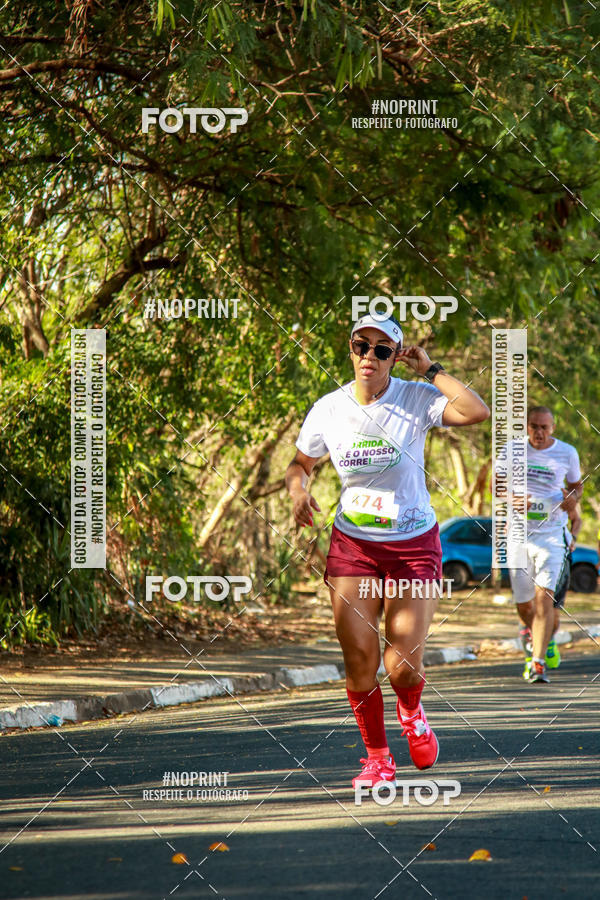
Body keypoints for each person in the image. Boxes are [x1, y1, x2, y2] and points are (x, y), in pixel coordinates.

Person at [285, 313, 489, 789]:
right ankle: (377, 756)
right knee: (359, 660)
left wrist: (430, 369)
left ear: (395, 356)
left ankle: (412, 712)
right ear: (350, 349)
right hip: (353, 545)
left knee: (402, 667)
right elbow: (300, 463)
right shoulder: (329, 408)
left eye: (382, 349)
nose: (369, 356)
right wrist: (297, 490)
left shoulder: (415, 398)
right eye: (362, 345)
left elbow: (475, 411)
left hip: (413, 545)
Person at [497, 407, 583, 684]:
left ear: (553, 428)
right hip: (518, 535)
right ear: (526, 426)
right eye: (534, 426)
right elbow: (497, 486)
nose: (539, 432)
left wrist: (573, 499)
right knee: (525, 605)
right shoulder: (512, 450)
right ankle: (535, 633)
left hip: (552, 535)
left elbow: (577, 486)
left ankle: (537, 662)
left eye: (544, 427)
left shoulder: (567, 452)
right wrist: (511, 499)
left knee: (544, 598)